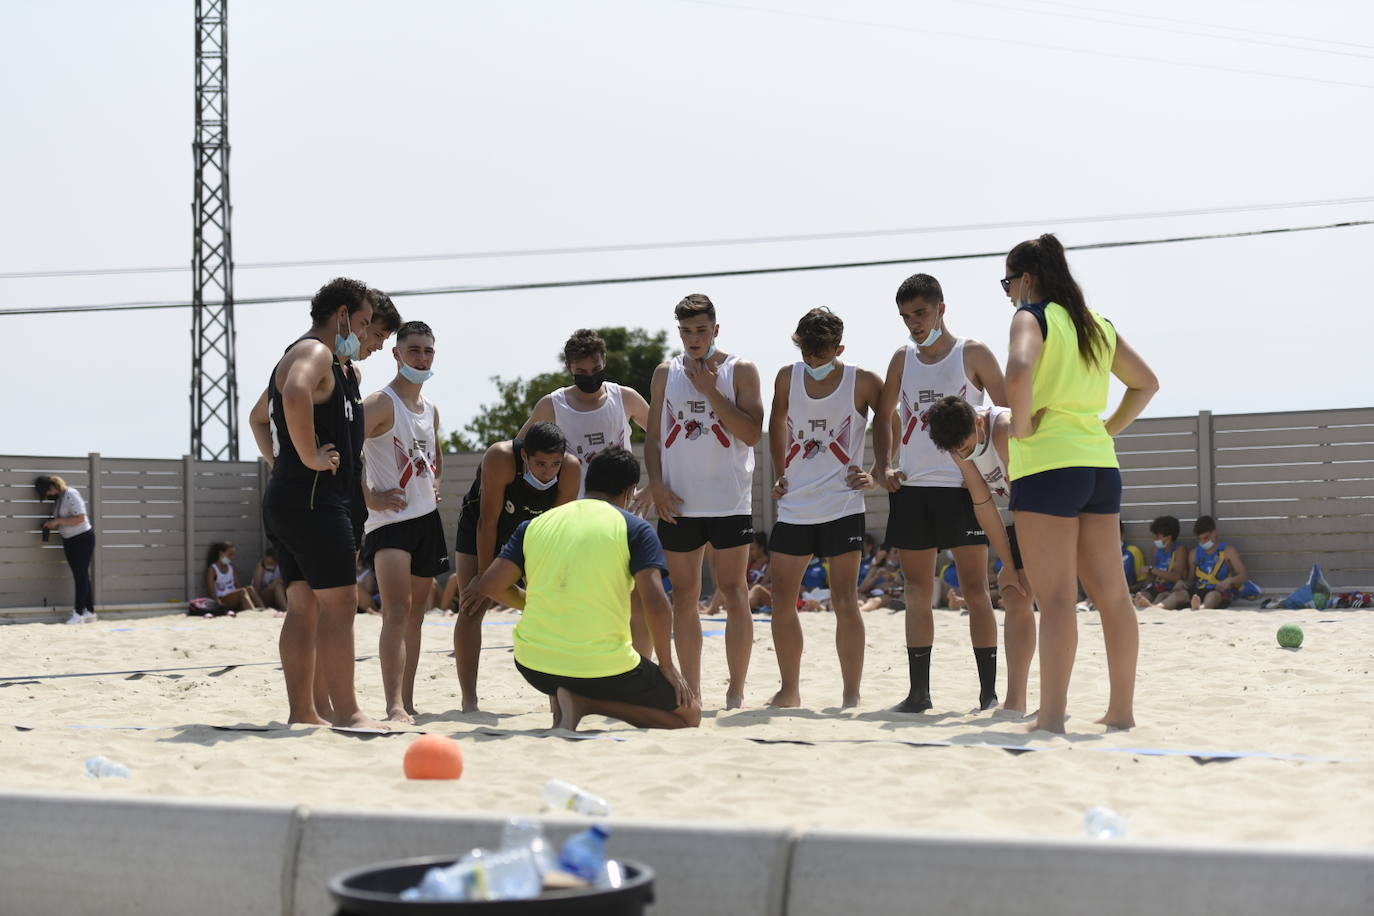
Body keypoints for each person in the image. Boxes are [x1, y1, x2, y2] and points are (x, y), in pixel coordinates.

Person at [1003, 233, 1158, 733]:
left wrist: (1022, 427)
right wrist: (1104, 429)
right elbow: (1146, 383)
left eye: (1008, 283)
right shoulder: (1097, 325)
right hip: (1099, 466)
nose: (1008, 294)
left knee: (1055, 599)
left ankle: (1050, 718)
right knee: (1113, 595)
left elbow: (1019, 369)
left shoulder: (1033, 316)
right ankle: (1121, 712)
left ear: (1027, 278)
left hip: (1048, 466)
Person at [478, 446, 701, 731]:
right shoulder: (635, 528)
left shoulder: (535, 524)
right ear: (630, 491)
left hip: (534, 666)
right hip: (605, 668)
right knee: (689, 715)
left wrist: (531, 602)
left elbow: (490, 585)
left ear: (588, 482)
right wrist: (667, 665)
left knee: (570, 666)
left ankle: (566, 698)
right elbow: (656, 603)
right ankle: (588, 704)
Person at [251, 277, 386, 728]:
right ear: (343, 314)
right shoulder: (315, 351)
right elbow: (292, 393)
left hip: (295, 495)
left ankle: (305, 712)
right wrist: (306, 455)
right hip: (311, 500)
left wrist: (284, 461)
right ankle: (348, 711)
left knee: (304, 605)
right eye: (364, 323)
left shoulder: (332, 363)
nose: (366, 334)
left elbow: (258, 417)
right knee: (341, 603)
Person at [872, 273, 1009, 713]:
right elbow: (884, 414)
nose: (913, 323)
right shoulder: (901, 359)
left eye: (921, 313)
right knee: (916, 589)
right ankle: (919, 693)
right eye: (906, 316)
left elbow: (1008, 414)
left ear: (941, 308)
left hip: (963, 488)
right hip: (912, 489)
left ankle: (988, 694)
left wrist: (996, 469)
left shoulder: (973, 352)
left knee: (975, 588)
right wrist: (885, 464)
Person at [645, 294, 764, 709]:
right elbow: (655, 437)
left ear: (716, 330)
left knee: (734, 592)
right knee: (684, 596)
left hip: (730, 501)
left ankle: (735, 692)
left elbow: (751, 434)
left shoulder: (740, 369)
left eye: (700, 330)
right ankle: (691, 689)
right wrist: (655, 483)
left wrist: (710, 391)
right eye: (686, 331)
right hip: (680, 503)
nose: (693, 339)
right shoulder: (665, 372)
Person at [765, 308, 884, 708]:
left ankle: (851, 694)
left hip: (842, 504)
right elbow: (776, 421)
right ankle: (790, 690)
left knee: (845, 598)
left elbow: (891, 420)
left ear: (839, 348)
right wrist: (780, 471)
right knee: (782, 597)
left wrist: (877, 471)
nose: (813, 362)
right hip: (796, 506)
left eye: (821, 353)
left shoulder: (862, 380)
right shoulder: (787, 376)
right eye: (807, 353)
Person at [520, 328, 654, 656]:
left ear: (603, 362)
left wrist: (655, 486)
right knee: (581, 598)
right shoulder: (553, 404)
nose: (589, 378)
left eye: (595, 371)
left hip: (623, 516)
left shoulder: (625, 397)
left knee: (636, 597)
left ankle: (640, 669)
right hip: (575, 519)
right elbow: (520, 451)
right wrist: (539, 496)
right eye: (581, 373)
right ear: (569, 368)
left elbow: (666, 438)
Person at [447, 421, 581, 711]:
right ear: (524, 457)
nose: (548, 471)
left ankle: (557, 699)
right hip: (483, 525)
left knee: (550, 608)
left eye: (554, 464)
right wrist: (484, 579)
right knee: (472, 605)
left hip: (534, 531)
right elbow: (488, 522)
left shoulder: (571, 469)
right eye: (540, 463)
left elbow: (555, 532)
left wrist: (546, 585)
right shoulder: (500, 458)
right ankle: (469, 699)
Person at [360, 320, 449, 723]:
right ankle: (393, 704)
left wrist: (435, 486)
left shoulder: (430, 409)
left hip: (425, 519)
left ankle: (408, 701)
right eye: (414, 350)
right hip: (388, 521)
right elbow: (343, 449)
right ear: (396, 354)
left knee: (416, 615)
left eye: (428, 350)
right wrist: (368, 496)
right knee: (395, 610)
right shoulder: (381, 402)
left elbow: (436, 458)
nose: (422, 357)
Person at [925, 395, 1038, 713]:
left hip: (1053, 503)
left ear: (978, 422)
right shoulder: (957, 439)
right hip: (1029, 508)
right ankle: (1016, 701)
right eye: (956, 451)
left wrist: (1018, 564)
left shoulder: (1003, 429)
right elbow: (984, 504)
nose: (963, 454)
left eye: (965, 446)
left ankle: (1051, 699)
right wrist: (1010, 564)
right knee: (1015, 591)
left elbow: (1025, 499)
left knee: (1047, 594)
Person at [35, 475, 96, 624]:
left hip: (82, 538)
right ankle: (90, 612)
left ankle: (78, 613)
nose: (48, 495)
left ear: (53, 487)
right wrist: (51, 524)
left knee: (80, 576)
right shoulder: (58, 499)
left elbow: (80, 518)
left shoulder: (71, 494)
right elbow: (62, 520)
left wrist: (59, 521)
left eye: (48, 492)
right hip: (69, 540)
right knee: (81, 575)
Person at [1186, 516, 1249, 609]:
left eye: (1206, 538)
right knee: (1179, 594)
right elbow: (1191, 579)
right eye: (1200, 539)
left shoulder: (1228, 550)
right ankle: (1159, 607)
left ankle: (1201, 608)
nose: (1203, 542)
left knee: (1212, 596)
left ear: (1214, 533)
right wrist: (1183, 583)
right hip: (1198, 589)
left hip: (1218, 590)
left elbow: (1244, 576)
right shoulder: (1194, 553)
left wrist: (1230, 581)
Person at [1134, 515, 1190, 609]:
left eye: (1157, 536)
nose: (1155, 539)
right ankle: (1150, 607)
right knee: (1141, 596)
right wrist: (1145, 585)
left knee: (1162, 596)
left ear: (1168, 537)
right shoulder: (1156, 549)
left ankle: (1154, 608)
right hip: (1157, 587)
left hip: (1172, 589)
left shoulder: (1180, 549)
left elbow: (1177, 576)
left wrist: (1152, 570)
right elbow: (1152, 575)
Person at [204, 540, 263, 614]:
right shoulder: (213, 569)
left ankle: (264, 610)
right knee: (242, 591)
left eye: (233, 555)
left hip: (234, 597)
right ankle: (252, 612)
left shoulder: (232, 568)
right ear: (221, 553)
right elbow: (212, 593)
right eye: (230, 554)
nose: (232, 557)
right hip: (222, 599)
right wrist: (220, 607)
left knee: (250, 588)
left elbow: (238, 586)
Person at [858, 547, 904, 612]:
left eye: (900, 553)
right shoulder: (875, 569)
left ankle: (860, 611)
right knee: (860, 599)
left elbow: (904, 585)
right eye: (895, 552)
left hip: (886, 596)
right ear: (886, 555)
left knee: (877, 600)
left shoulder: (900, 571)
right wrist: (877, 577)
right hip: (870, 594)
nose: (898, 556)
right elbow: (862, 589)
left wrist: (893, 578)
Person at [253, 547, 287, 615]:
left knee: (278, 585)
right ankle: (286, 609)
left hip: (279, 594)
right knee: (277, 584)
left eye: (270, 562)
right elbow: (256, 589)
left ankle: (286, 609)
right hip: (263, 596)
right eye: (266, 561)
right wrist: (271, 586)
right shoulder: (261, 566)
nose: (267, 563)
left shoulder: (281, 566)